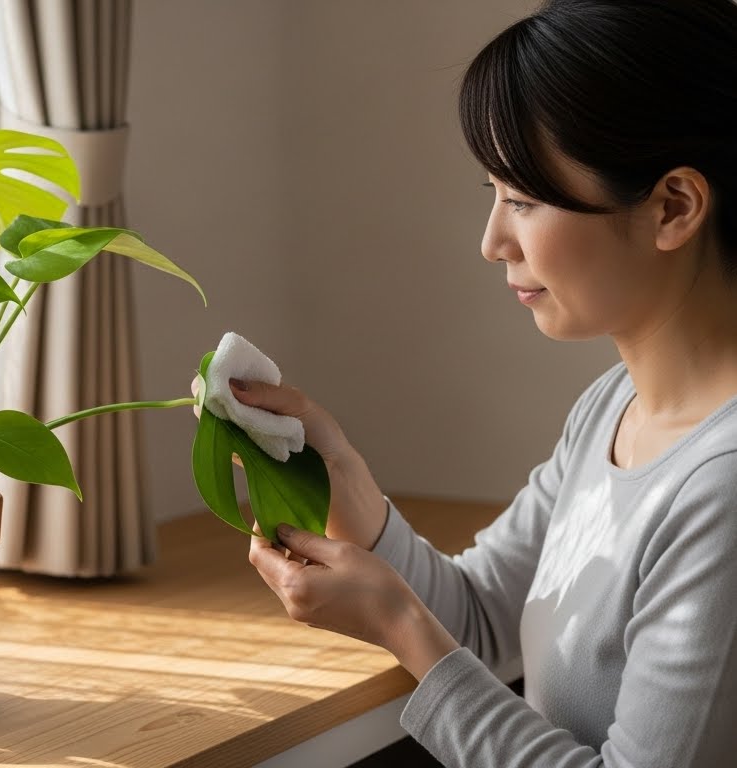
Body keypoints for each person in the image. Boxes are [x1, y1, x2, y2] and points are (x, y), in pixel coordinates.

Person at [222, 1, 737, 765]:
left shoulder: (721, 483)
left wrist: (401, 627)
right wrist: (344, 490)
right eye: (492, 194)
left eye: (523, 200)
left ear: (673, 207)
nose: (493, 241)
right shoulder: (612, 408)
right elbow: (485, 620)